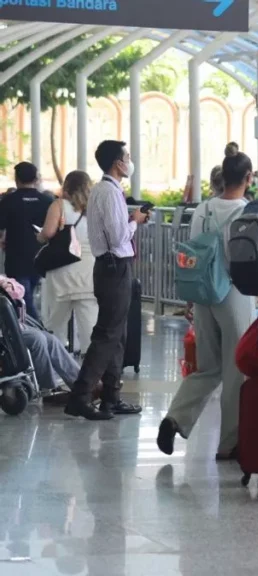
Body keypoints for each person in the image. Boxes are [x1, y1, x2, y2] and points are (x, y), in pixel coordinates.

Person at [156, 152, 257, 459]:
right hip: (233, 294)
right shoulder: (247, 212)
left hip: (201, 294)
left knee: (207, 368)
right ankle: (229, 443)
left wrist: (191, 298)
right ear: (248, 178)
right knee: (235, 370)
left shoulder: (202, 208)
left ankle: (175, 417)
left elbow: (193, 255)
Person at [63, 141, 148, 420]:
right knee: (107, 335)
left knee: (117, 334)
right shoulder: (109, 193)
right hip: (115, 267)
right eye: (127, 157)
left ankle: (111, 397)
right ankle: (81, 395)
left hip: (110, 267)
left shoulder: (103, 190)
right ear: (116, 163)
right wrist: (135, 220)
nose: (130, 161)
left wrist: (132, 220)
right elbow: (116, 237)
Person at [36, 171, 97, 355]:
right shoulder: (95, 208)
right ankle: (91, 374)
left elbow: (47, 233)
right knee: (90, 325)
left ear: (67, 186)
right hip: (89, 272)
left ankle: (57, 369)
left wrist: (39, 237)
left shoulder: (59, 205)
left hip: (61, 270)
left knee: (56, 323)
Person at [0, 162, 53, 321]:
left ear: (16, 179)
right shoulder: (47, 201)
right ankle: (38, 327)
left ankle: (35, 329)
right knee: (35, 297)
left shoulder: (8, 201)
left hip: (16, 257)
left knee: (22, 297)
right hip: (42, 256)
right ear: (36, 178)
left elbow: (1, 228)